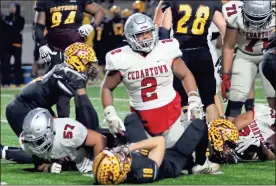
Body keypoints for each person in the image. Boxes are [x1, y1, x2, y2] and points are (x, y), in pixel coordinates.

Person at [101, 13, 219, 174]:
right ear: (129, 37)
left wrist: (193, 97)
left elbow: (185, 74)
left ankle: (201, 163)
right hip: (143, 124)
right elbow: (107, 87)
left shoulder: (166, 49)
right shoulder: (121, 58)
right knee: (141, 155)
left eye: (148, 32)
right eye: (140, 34)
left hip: (172, 120)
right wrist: (110, 114)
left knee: (198, 127)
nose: (145, 37)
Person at [5, 42, 99, 137]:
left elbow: (80, 105)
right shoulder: (65, 78)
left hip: (39, 106)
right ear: (76, 61)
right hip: (21, 108)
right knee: (37, 145)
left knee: (53, 139)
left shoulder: (67, 72)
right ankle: (6, 152)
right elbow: (63, 113)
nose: (90, 66)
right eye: (88, 62)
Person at [154, 0, 226, 122]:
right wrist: (226, 49)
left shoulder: (173, 3)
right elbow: (224, 27)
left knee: (185, 100)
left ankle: (190, 135)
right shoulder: (211, 3)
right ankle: (218, 137)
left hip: (180, 54)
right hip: (203, 53)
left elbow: (164, 31)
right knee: (209, 101)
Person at [93, 119, 222, 185]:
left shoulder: (124, 170)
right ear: (120, 173)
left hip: (153, 154)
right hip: (174, 159)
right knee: (199, 125)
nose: (119, 156)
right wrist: (129, 147)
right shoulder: (141, 172)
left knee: (131, 119)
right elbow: (160, 141)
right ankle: (200, 163)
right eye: (118, 159)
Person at [33, 0, 105, 117]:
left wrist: (91, 26)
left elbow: (100, 12)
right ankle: (63, 126)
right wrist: (41, 46)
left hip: (77, 51)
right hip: (56, 50)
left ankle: (83, 127)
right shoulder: (44, 1)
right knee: (61, 93)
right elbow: (38, 28)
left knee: (80, 91)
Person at [221, 0, 276, 119]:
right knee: (236, 96)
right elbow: (229, 46)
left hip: (270, 56)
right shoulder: (235, 15)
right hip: (245, 56)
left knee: (273, 94)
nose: (256, 24)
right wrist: (226, 73)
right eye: (251, 18)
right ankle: (228, 134)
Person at [19, 106, 105, 174]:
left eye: (39, 141)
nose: (35, 146)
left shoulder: (68, 133)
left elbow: (99, 139)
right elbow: (38, 164)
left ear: (50, 131)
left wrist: (97, 167)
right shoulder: (28, 141)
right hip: (71, 166)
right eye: (33, 142)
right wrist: (48, 167)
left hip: (87, 162)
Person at [209, 105, 276, 163]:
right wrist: (229, 140)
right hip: (227, 139)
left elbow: (271, 156)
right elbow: (235, 123)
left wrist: (260, 146)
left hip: (240, 154)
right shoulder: (267, 113)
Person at [1, 3, 25, 87]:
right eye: (10, 7)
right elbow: (4, 30)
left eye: (13, 7)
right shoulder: (6, 19)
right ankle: (5, 82)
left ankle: (18, 82)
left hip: (17, 44)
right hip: (7, 45)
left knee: (17, 64)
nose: (11, 8)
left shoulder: (21, 19)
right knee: (5, 64)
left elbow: (17, 29)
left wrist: (10, 26)